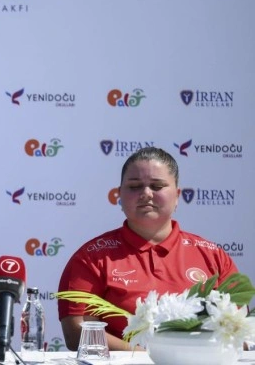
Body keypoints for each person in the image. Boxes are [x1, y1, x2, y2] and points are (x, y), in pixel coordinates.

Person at [57, 147, 238, 351]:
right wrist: (148, 357)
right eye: (135, 186)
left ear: (177, 196)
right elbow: (78, 333)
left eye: (157, 186)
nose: (146, 194)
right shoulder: (91, 258)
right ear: (119, 195)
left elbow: (238, 327)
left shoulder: (213, 256)